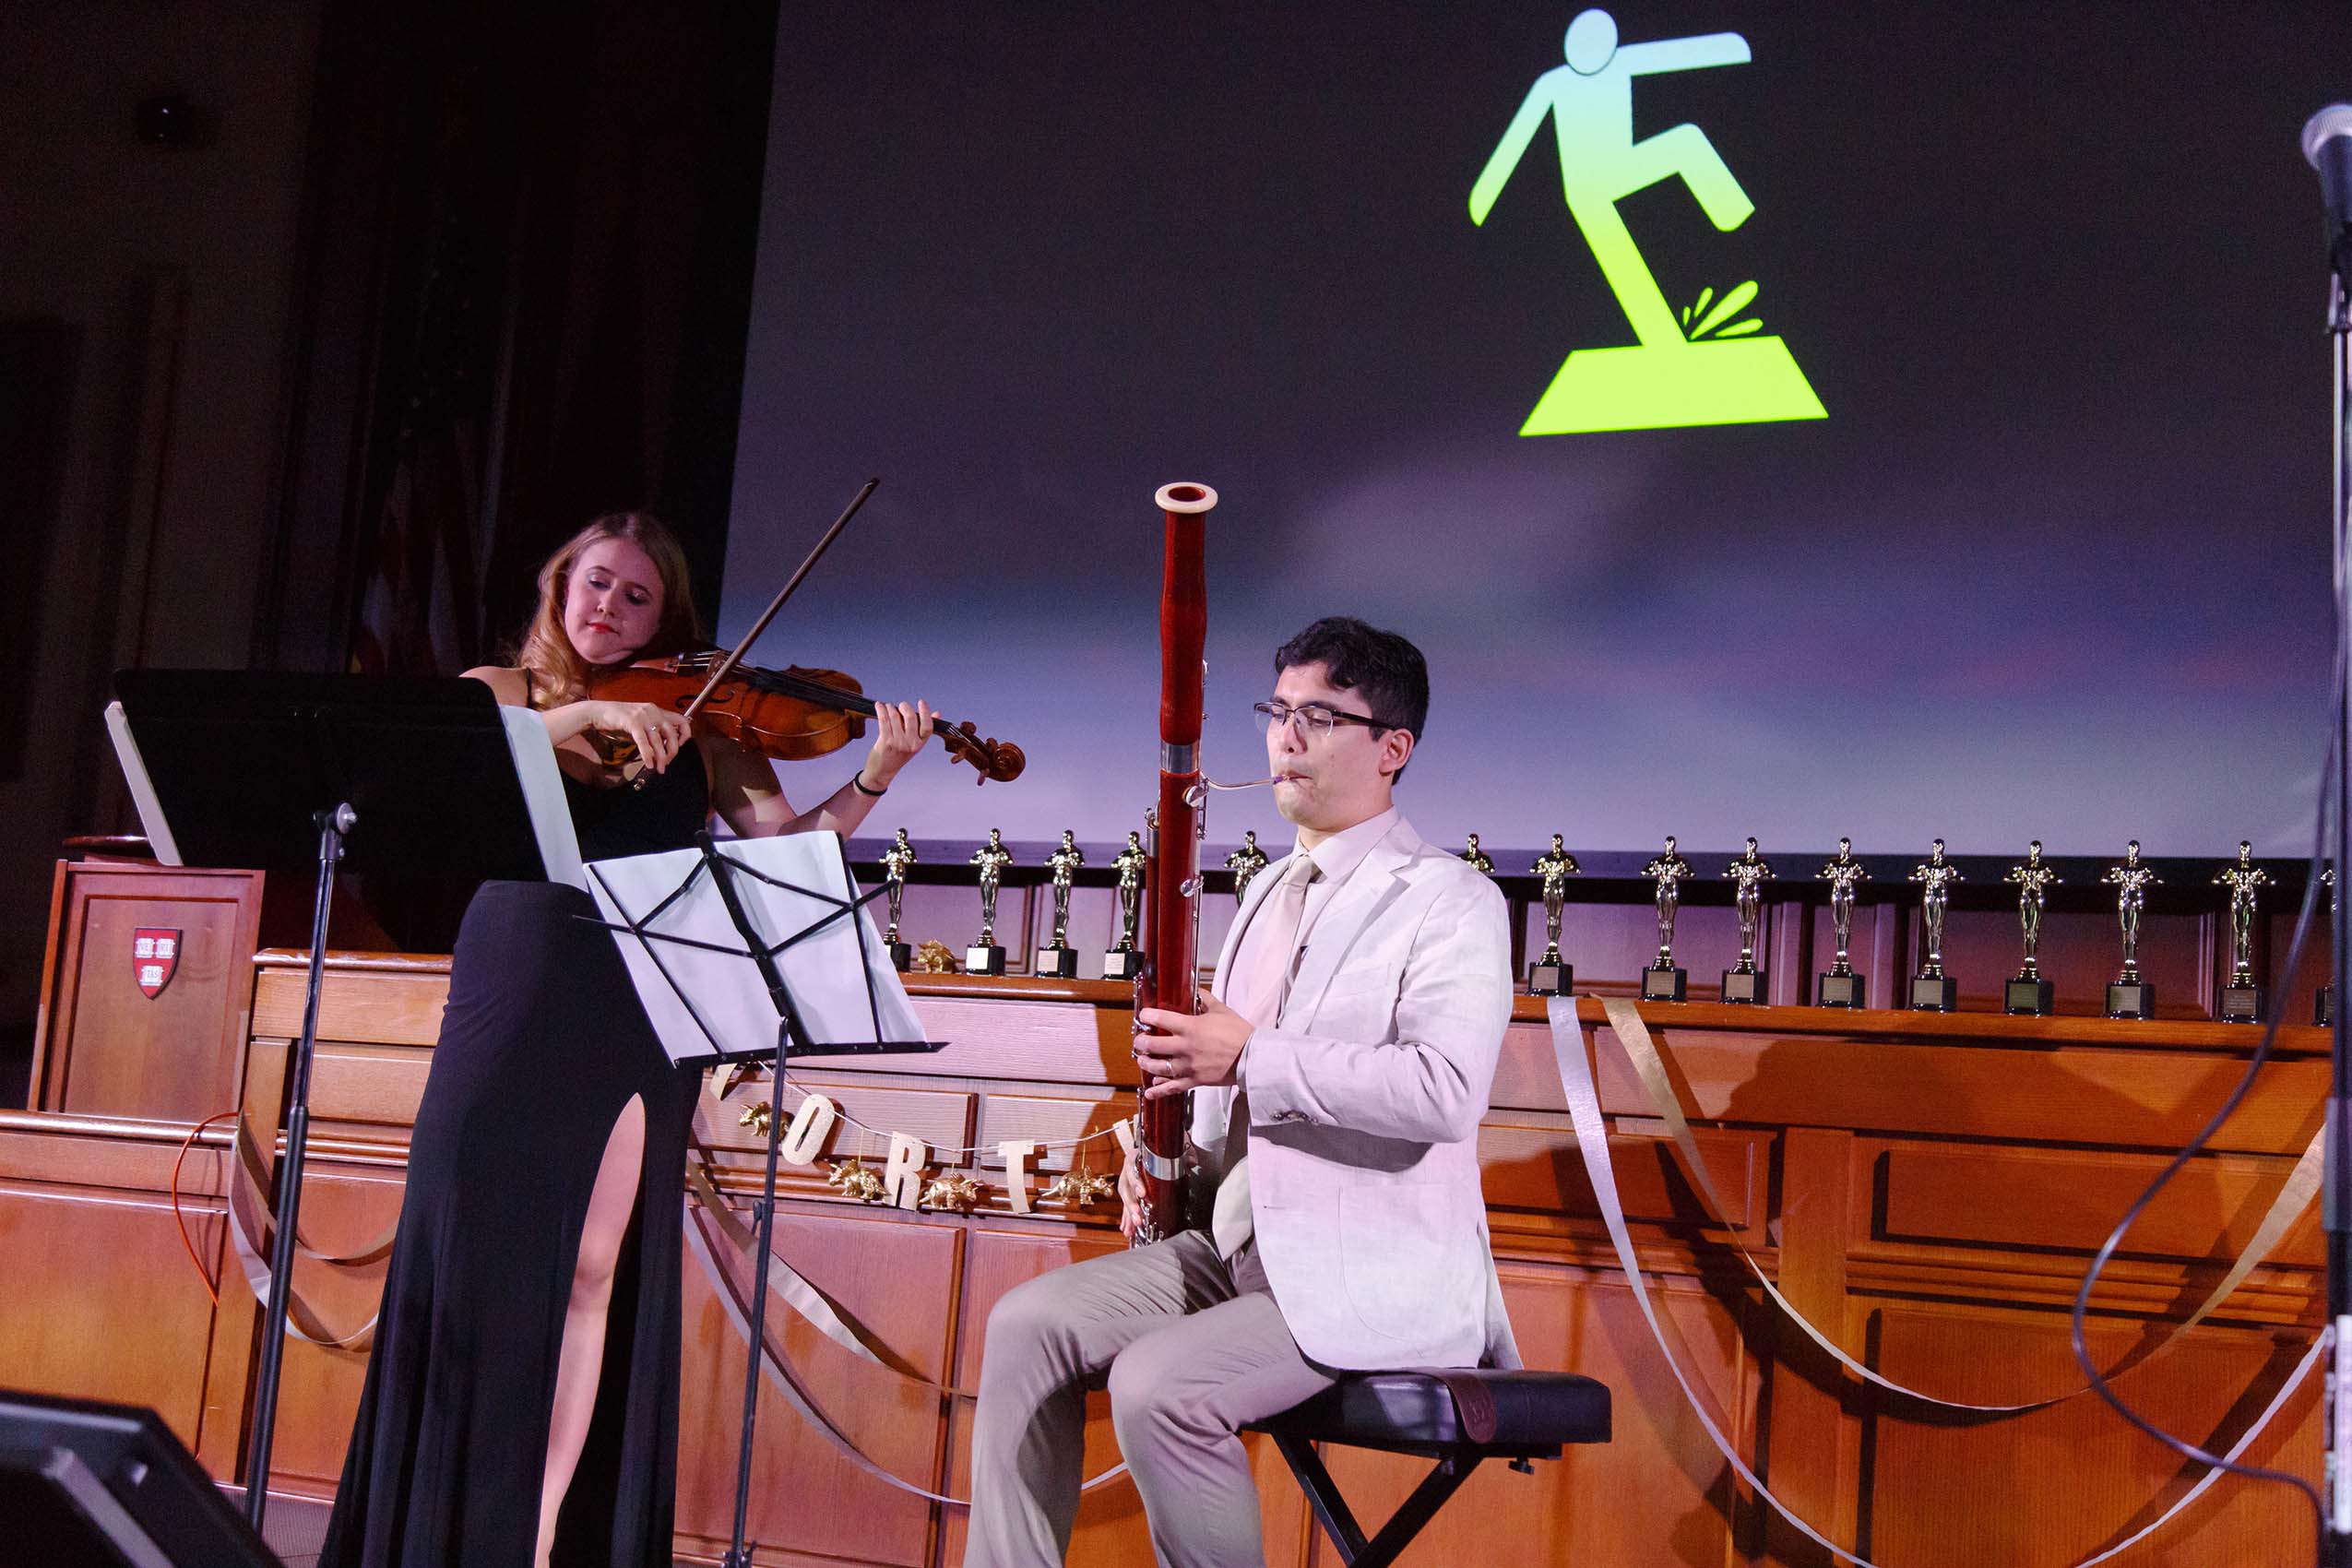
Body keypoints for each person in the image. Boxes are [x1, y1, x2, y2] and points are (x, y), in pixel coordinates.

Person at [322, 511, 933, 1568]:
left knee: (593, 1269)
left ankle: (542, 1534)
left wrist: (879, 769)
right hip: (520, 979)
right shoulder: (505, 690)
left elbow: (787, 849)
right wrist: (588, 710)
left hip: (644, 995)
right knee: (468, 1253)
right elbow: (451, 760)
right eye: (594, 583)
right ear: (560, 587)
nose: (607, 606)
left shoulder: (704, 718)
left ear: (668, 617)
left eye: (635, 595)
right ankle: (433, 1532)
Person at [965, 617, 1518, 1568]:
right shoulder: (1266, 891)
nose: (1284, 736)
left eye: (1318, 715)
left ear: (1393, 748)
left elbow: (1444, 1091)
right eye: (1277, 711)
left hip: (1368, 1270)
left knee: (1159, 1385)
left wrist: (1251, 1054)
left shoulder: (1450, 897)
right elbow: (1231, 1085)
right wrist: (1166, 1154)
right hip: (1240, 1250)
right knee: (1026, 1325)